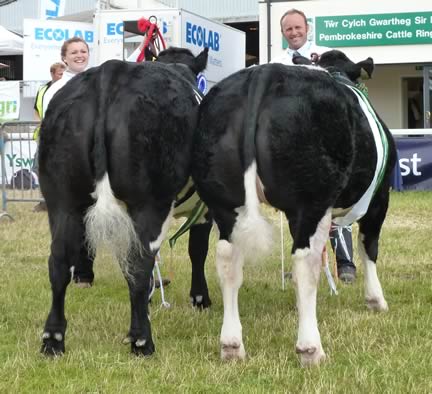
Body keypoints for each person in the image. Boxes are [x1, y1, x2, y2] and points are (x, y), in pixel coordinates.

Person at [272, 9, 356, 283]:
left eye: (298, 27)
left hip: (324, 140)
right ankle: (302, 262)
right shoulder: (276, 63)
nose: (294, 33)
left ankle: (345, 264)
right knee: (296, 206)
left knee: (332, 202)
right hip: (292, 144)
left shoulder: (326, 55)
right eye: (288, 29)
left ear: (307, 27)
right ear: (283, 33)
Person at [32, 62, 66, 212]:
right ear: (52, 74)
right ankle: (44, 200)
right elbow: (37, 110)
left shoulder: (68, 88)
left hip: (61, 134)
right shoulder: (43, 89)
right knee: (39, 167)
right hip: (44, 134)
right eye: (60, 74)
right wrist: (39, 125)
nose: (63, 77)